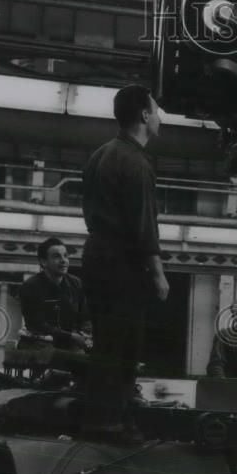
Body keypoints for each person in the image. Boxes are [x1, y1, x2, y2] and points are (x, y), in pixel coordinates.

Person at [81, 84, 169, 442]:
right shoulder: (137, 163)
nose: (161, 116)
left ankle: (102, 417)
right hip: (123, 265)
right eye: (157, 110)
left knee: (106, 342)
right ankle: (112, 423)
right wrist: (159, 275)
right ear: (145, 116)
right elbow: (144, 228)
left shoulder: (100, 154)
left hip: (96, 257)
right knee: (125, 344)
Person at [14, 237, 92, 379]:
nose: (63, 260)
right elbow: (37, 324)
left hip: (70, 343)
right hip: (38, 343)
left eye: (66, 256)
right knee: (73, 361)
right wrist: (72, 337)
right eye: (57, 256)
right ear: (43, 262)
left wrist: (85, 334)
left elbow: (85, 316)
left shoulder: (76, 283)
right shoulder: (30, 287)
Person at [206, 298, 237, 378]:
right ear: (233, 316)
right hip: (233, 385)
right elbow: (215, 365)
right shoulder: (224, 335)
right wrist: (225, 387)